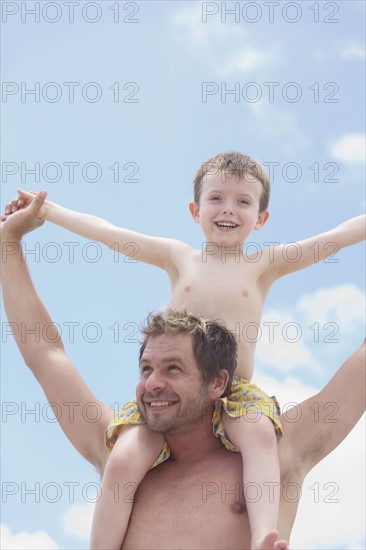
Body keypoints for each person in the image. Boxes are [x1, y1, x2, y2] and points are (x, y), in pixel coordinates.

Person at [4, 152, 366, 550]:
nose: (228, 210)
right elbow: (47, 344)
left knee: (260, 433)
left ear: (261, 218)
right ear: (195, 210)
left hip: (243, 399)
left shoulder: (283, 450)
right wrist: (35, 220)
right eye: (146, 368)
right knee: (122, 459)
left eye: (173, 368)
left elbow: (335, 238)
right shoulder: (122, 449)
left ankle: (264, 533)